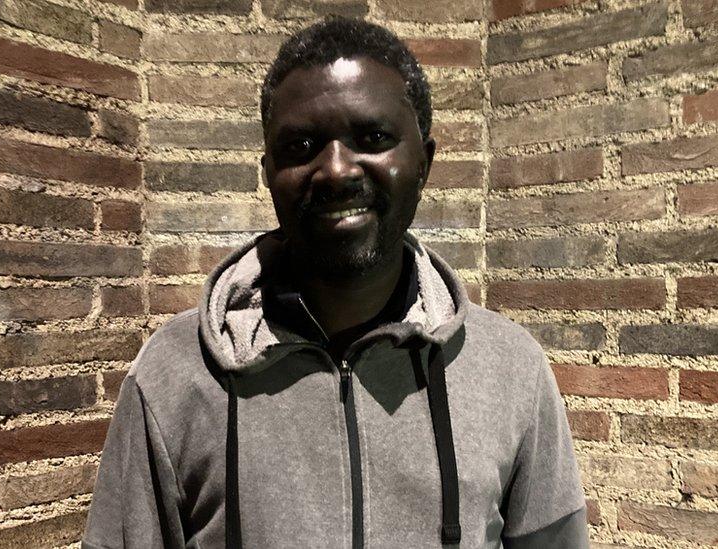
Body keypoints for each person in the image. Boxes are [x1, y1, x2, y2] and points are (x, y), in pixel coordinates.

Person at [83, 17, 588, 549]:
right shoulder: (172, 376)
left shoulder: (511, 369)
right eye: (301, 146)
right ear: (268, 173)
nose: (336, 170)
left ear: (424, 163)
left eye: (372, 138)